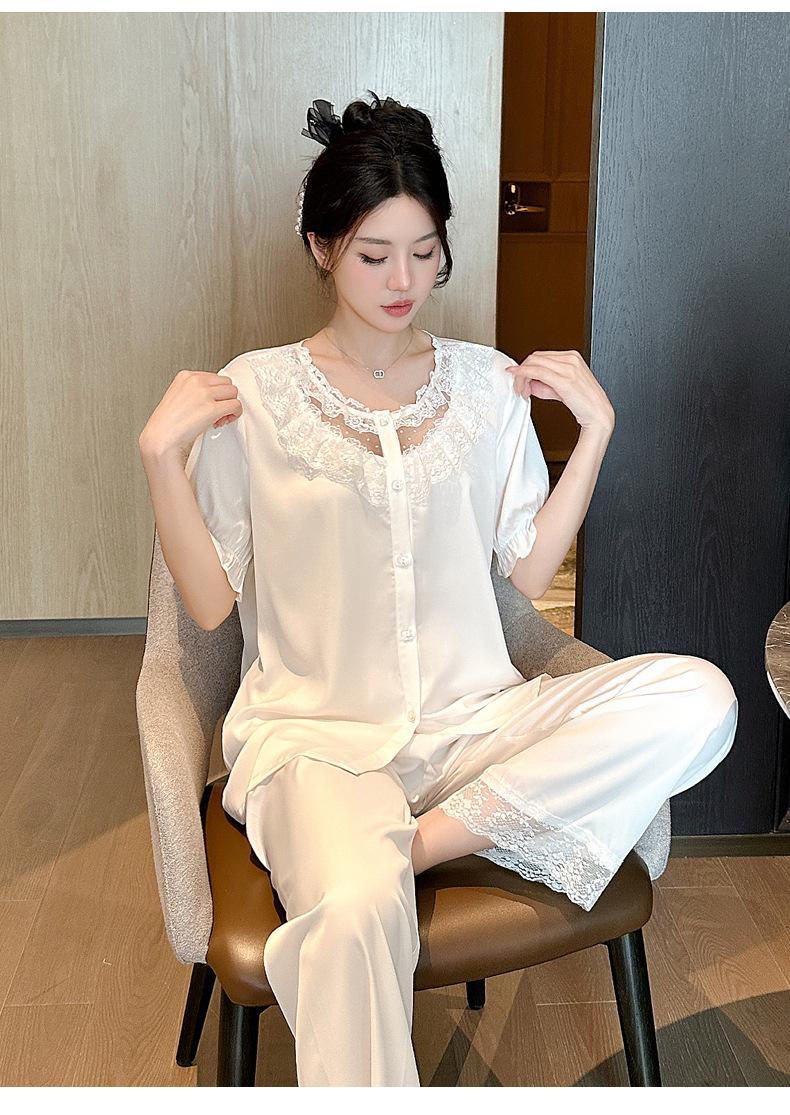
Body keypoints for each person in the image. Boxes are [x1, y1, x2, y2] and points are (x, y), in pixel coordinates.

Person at [138, 91, 739, 1087]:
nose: (403, 280)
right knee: (354, 913)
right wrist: (163, 459)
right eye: (374, 254)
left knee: (702, 697)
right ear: (320, 245)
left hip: (474, 728)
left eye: (424, 251)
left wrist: (593, 436)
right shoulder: (259, 395)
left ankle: (410, 845)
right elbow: (207, 609)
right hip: (317, 742)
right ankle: (372, 866)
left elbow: (526, 576)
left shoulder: (485, 386)